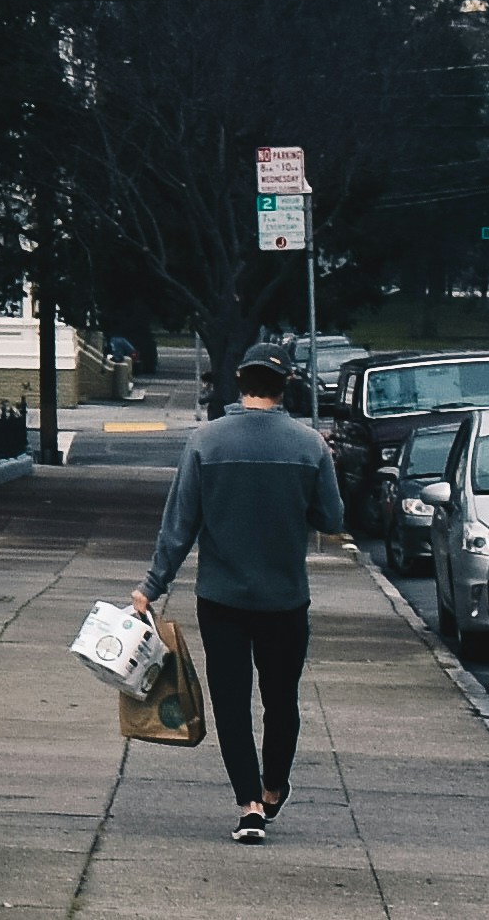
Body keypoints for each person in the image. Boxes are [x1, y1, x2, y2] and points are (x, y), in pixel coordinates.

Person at [128, 339, 346, 844]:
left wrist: (151, 587)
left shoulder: (207, 442)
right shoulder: (309, 445)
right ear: (285, 384)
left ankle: (248, 804)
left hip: (222, 598)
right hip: (285, 598)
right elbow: (332, 518)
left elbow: (179, 525)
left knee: (231, 700)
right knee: (281, 699)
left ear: (241, 384)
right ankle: (273, 789)